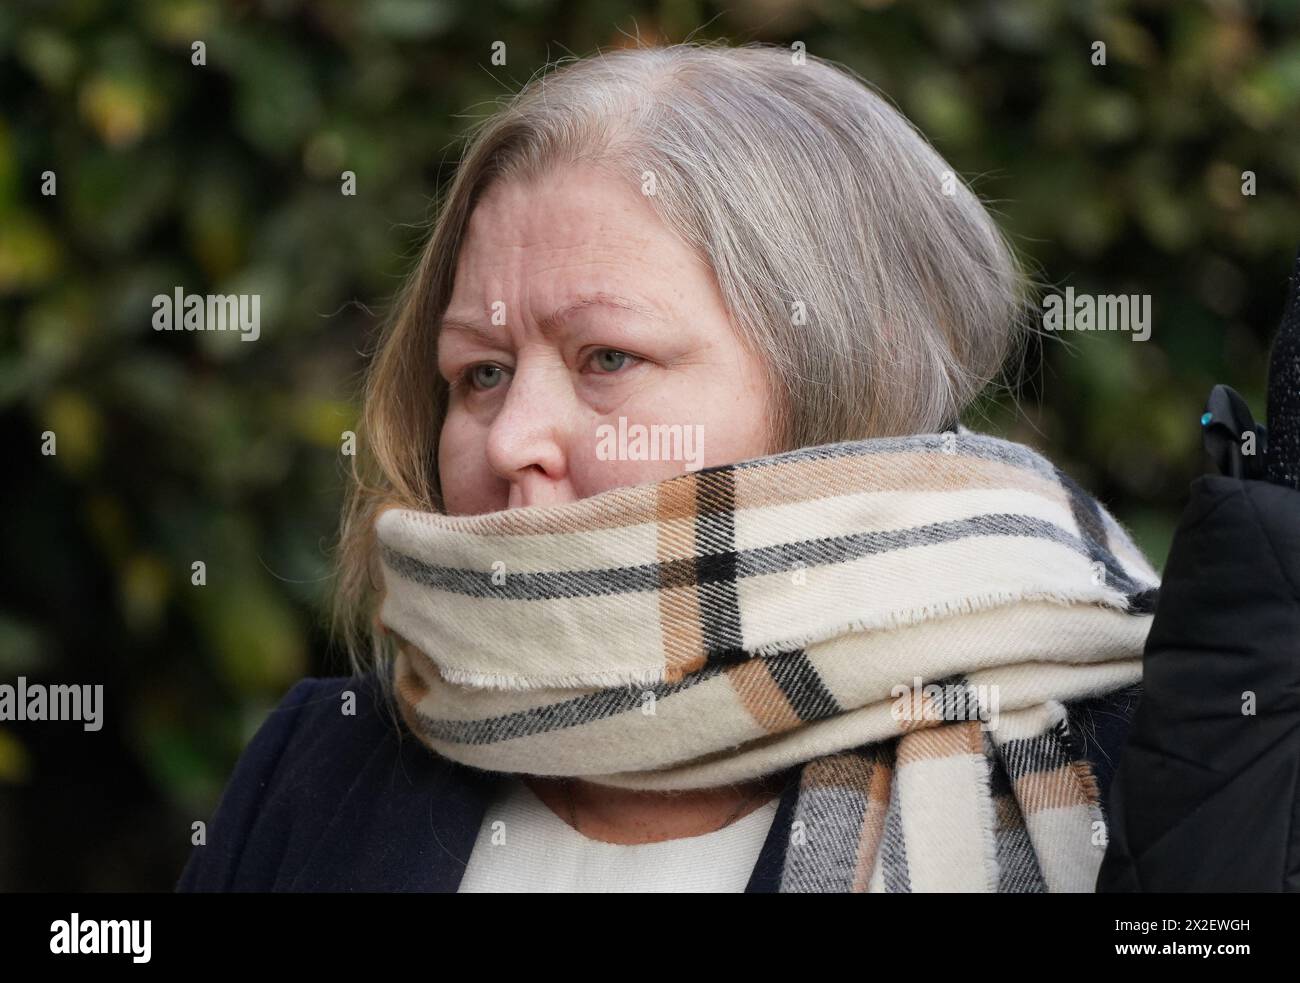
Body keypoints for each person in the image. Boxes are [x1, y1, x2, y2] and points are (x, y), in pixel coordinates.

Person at [176, 41, 1157, 894]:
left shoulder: (1121, 767)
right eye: (479, 370)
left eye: (607, 357)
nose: (513, 434)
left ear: (845, 381)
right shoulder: (322, 765)